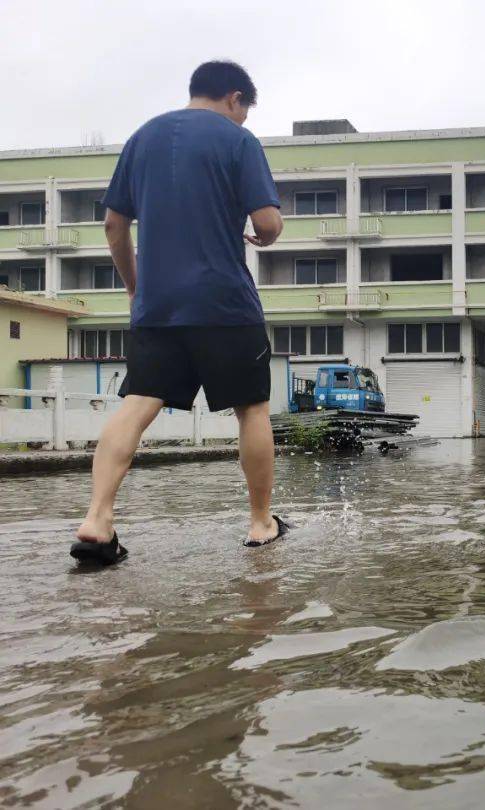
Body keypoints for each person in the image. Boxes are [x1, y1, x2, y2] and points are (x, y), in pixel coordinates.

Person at [70, 60, 286, 565]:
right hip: (225, 303)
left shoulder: (142, 138)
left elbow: (113, 226)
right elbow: (268, 221)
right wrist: (268, 234)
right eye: (244, 113)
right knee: (250, 407)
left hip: (158, 305)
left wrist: (134, 288)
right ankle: (260, 525)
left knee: (137, 403)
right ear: (235, 99)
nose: (242, 121)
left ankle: (97, 520)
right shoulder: (238, 142)